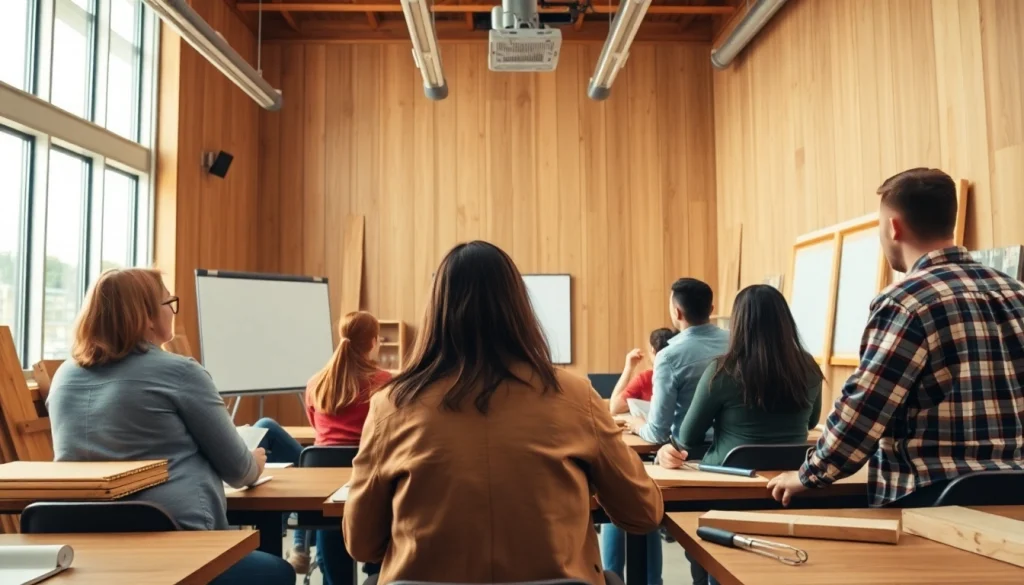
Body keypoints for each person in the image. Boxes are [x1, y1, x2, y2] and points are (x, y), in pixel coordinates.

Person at [344, 241, 663, 585]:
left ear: (435, 312)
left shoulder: (391, 405)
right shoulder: (575, 396)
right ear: (519, 308)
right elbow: (643, 512)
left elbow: (361, 544)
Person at [768, 168, 1024, 508]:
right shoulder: (1015, 292)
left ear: (893, 226)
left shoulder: (906, 301)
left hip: (930, 500)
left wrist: (810, 473)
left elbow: (866, 407)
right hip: (1015, 497)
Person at [47, 268, 294, 585]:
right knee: (278, 573)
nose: (173, 311)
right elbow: (239, 471)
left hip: (84, 551)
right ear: (147, 317)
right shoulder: (179, 372)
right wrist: (255, 461)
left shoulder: (64, 377)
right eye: (169, 303)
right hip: (179, 547)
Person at [656, 284, 823, 585]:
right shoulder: (809, 368)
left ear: (739, 322)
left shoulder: (723, 370)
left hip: (727, 489)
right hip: (792, 489)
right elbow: (812, 422)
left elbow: (689, 435)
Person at [303, 310, 392, 585]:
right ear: (373, 342)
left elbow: (317, 430)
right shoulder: (384, 382)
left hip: (320, 478)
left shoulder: (315, 382)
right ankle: (375, 574)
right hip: (367, 481)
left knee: (330, 516)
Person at [629, 278, 729, 446]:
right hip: (735, 450)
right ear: (711, 310)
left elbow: (658, 433)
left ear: (677, 312)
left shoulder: (668, 357)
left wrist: (638, 426)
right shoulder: (737, 341)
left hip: (688, 455)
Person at [608, 328, 677, 415]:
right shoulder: (685, 374)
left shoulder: (645, 379)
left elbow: (614, 407)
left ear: (653, 350)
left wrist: (629, 367)